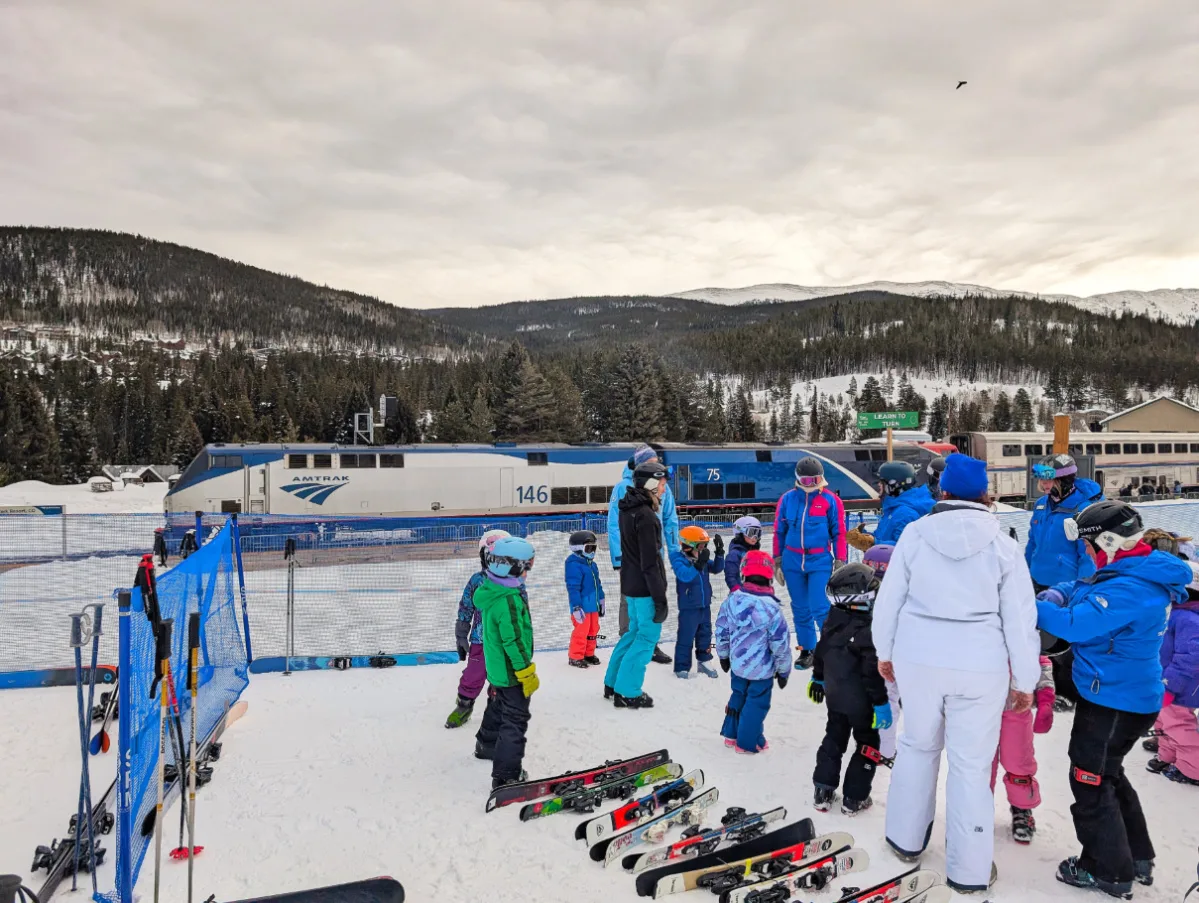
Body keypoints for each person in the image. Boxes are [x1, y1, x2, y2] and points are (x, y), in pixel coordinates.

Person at [873, 453, 1040, 894]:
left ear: (942, 491)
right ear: (985, 494)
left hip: (918, 658)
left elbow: (889, 600)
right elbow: (1021, 620)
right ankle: (969, 869)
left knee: (916, 746)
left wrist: (885, 651)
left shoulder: (914, 535)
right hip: (979, 665)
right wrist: (1025, 680)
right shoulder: (1004, 544)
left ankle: (905, 840)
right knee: (970, 765)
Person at [1037, 499, 1192, 897]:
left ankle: (1107, 869)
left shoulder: (1132, 588)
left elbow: (1075, 624)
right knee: (1108, 774)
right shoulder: (1133, 568)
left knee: (1088, 779)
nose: (1086, 555)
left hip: (1113, 703)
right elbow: (1087, 585)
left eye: (1088, 547)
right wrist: (1057, 591)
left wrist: (1030, 605)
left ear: (1106, 542)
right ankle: (1135, 856)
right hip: (1121, 697)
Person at [808, 563, 891, 816]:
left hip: (836, 698)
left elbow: (821, 651)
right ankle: (854, 798)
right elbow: (871, 673)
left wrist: (819, 678)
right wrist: (880, 703)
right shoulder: (870, 631)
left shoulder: (833, 619)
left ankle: (823, 788)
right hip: (863, 703)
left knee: (834, 738)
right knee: (867, 745)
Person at [1025, 453, 1103, 710]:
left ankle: (1069, 691)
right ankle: (1045, 688)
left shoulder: (1083, 508)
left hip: (1068, 586)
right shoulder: (1041, 505)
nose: (1045, 486)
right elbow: (1032, 544)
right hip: (1039, 582)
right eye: (1042, 481)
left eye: (1050, 481)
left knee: (1067, 643)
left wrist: (1083, 585)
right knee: (1041, 639)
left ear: (1067, 479)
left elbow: (1087, 552)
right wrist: (1023, 574)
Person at [473, 535, 540, 790]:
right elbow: (514, 642)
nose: (528, 572)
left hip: (498, 669)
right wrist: (525, 672)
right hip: (512, 671)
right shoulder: (508, 599)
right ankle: (506, 775)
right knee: (515, 718)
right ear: (514, 567)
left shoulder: (492, 591)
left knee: (499, 704)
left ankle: (486, 744)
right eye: (527, 566)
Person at [604, 460, 670, 708]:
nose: (663, 490)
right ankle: (628, 690)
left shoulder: (627, 509)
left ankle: (612, 682)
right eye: (662, 485)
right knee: (646, 637)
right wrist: (660, 598)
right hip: (644, 588)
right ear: (652, 483)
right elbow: (650, 563)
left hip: (630, 585)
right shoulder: (646, 517)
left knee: (632, 634)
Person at [772, 457, 847, 670]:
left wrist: (840, 560)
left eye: (816, 479)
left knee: (819, 606)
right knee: (800, 608)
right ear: (798, 480)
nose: (812, 484)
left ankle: (832, 650)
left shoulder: (831, 501)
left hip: (819, 560)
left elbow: (839, 532)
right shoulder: (787, 500)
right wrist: (777, 560)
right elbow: (779, 531)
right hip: (792, 560)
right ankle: (808, 650)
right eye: (807, 480)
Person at [608, 444, 679, 665]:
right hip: (631, 554)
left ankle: (651, 642)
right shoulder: (623, 487)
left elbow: (671, 521)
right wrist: (618, 556)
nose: (655, 466)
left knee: (654, 594)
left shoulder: (663, 489)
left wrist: (674, 551)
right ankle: (627, 637)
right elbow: (613, 524)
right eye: (650, 463)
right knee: (629, 598)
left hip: (654, 552)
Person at [715, 549, 791, 754]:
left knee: (738, 695)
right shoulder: (772, 609)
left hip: (738, 664)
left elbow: (722, 630)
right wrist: (783, 670)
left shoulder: (732, 600)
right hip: (762, 670)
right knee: (756, 704)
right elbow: (780, 643)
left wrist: (723, 655)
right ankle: (746, 742)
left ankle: (732, 734)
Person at [446, 529, 511, 728]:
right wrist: (461, 635)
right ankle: (464, 705)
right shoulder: (477, 580)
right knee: (474, 673)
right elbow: (466, 607)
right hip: (481, 640)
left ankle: (497, 708)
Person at [990, 653, 1056, 844]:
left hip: (1016, 709)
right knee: (981, 765)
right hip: (979, 707)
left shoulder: (1022, 629)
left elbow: (1041, 662)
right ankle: (977, 809)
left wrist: (1045, 701)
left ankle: (1022, 808)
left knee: (1018, 761)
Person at [1147, 560, 1199, 786]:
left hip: (1181, 686)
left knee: (1178, 724)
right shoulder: (1178, 614)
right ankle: (1168, 755)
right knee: (1164, 720)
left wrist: (1170, 685)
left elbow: (1190, 658)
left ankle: (1193, 768)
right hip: (1167, 681)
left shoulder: (1189, 619)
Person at [669, 525, 725, 679]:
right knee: (686, 636)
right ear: (688, 546)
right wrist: (698, 564)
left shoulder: (702, 559)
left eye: (705, 546)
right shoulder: (679, 560)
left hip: (704, 606)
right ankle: (682, 666)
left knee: (705, 634)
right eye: (700, 546)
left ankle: (704, 661)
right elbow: (685, 575)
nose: (703, 549)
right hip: (689, 607)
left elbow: (718, 568)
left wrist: (719, 553)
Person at [863, 543, 901, 765]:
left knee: (873, 701)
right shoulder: (899, 593)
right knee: (889, 702)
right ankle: (885, 750)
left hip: (868, 658)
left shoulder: (859, 592)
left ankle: (872, 745)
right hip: (890, 659)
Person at [848, 461, 936, 551]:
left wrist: (872, 543)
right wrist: (865, 536)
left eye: (882, 482)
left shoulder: (905, 513)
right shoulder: (893, 509)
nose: (879, 485)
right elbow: (884, 537)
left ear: (894, 485)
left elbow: (903, 548)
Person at [565, 529, 605, 669]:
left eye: (593, 548)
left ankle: (588, 653)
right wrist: (576, 606)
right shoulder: (573, 564)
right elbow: (573, 587)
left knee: (593, 630)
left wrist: (601, 600)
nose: (592, 551)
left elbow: (597, 584)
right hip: (581, 607)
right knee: (581, 631)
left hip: (593, 605)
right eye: (589, 548)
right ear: (578, 549)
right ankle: (575, 656)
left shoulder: (592, 565)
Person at [724, 516, 762, 592]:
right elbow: (731, 577)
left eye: (758, 533)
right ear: (740, 533)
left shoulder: (754, 553)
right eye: (751, 533)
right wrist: (738, 592)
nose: (755, 537)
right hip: (742, 597)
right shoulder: (734, 554)